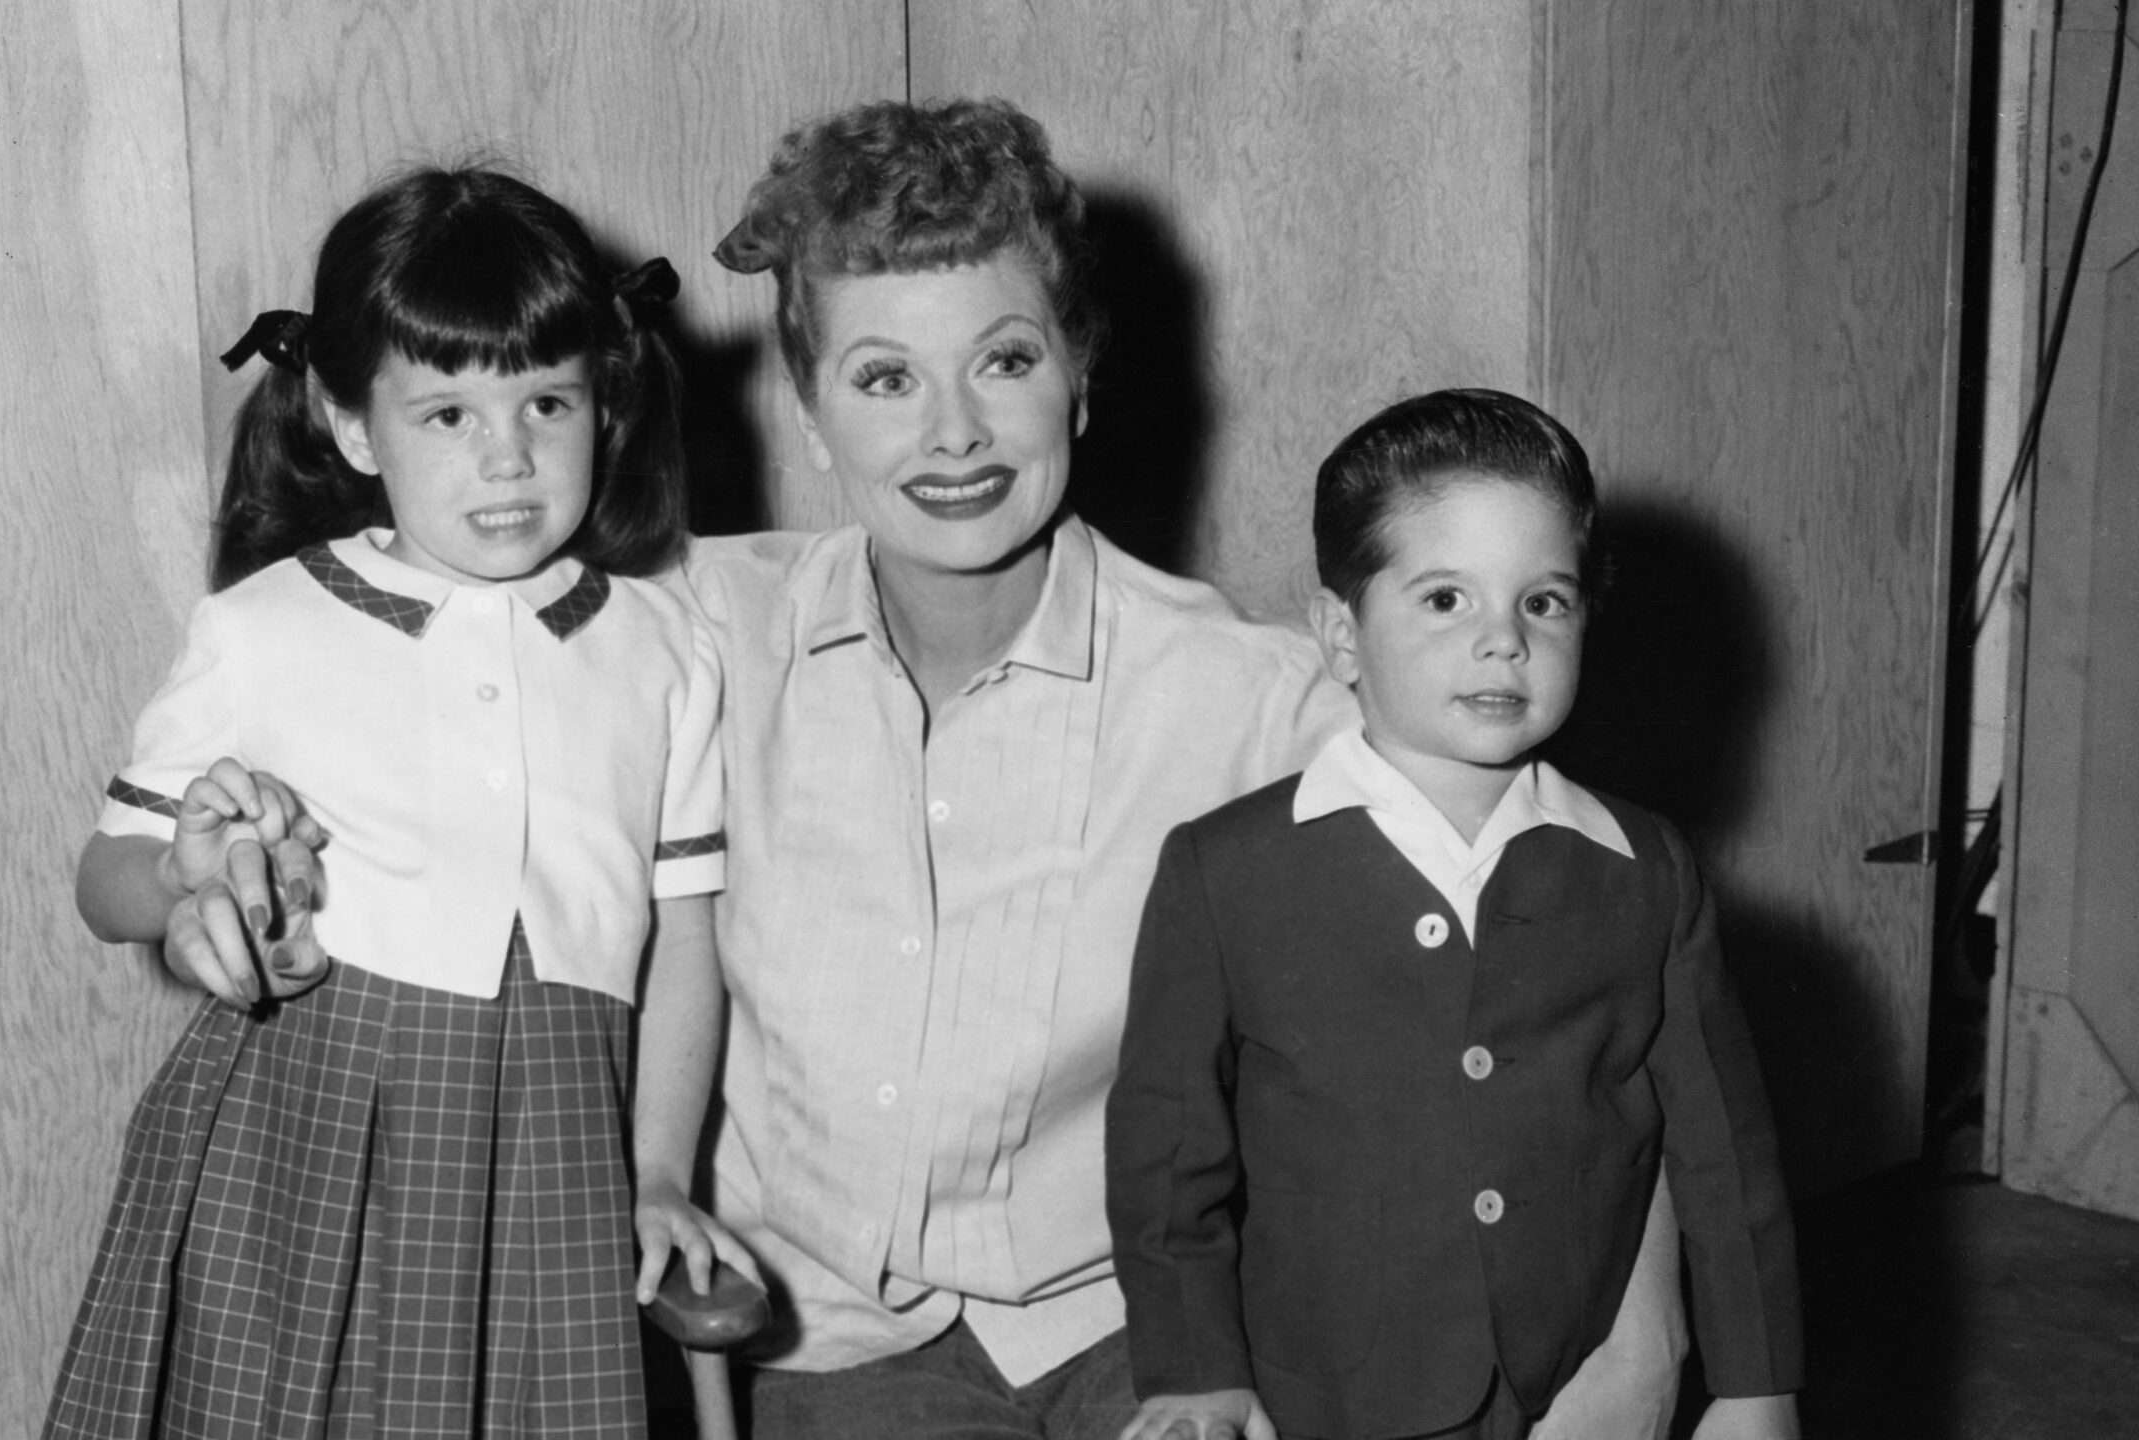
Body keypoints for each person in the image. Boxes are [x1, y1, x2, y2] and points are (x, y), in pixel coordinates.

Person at [678, 100, 1690, 1440]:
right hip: (829, 1344)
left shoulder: (1249, 694)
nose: (954, 434)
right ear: (810, 414)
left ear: (1080, 381)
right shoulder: (702, 633)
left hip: (1142, 1330)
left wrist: (1646, 1350)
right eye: (883, 379)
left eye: (1005, 361)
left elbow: (1575, 964)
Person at [42, 165, 752, 1440]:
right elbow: (109, 879)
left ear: (606, 401)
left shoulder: (664, 649)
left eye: (548, 401)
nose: (509, 457)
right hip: (303, 1141)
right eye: (446, 416)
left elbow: (684, 940)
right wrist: (189, 881)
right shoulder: (263, 628)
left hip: (553, 1147)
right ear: (353, 425)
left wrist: (654, 1172)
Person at [1106, 389, 1802, 1440]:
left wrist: (1755, 1387)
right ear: (1340, 632)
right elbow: (1167, 1155)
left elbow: (1721, 1156)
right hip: (1326, 1392)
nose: (1502, 642)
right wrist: (1195, 1369)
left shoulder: (1644, 869)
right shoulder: (1225, 869)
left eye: (1544, 601)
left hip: (1577, 1383)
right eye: (1444, 600)